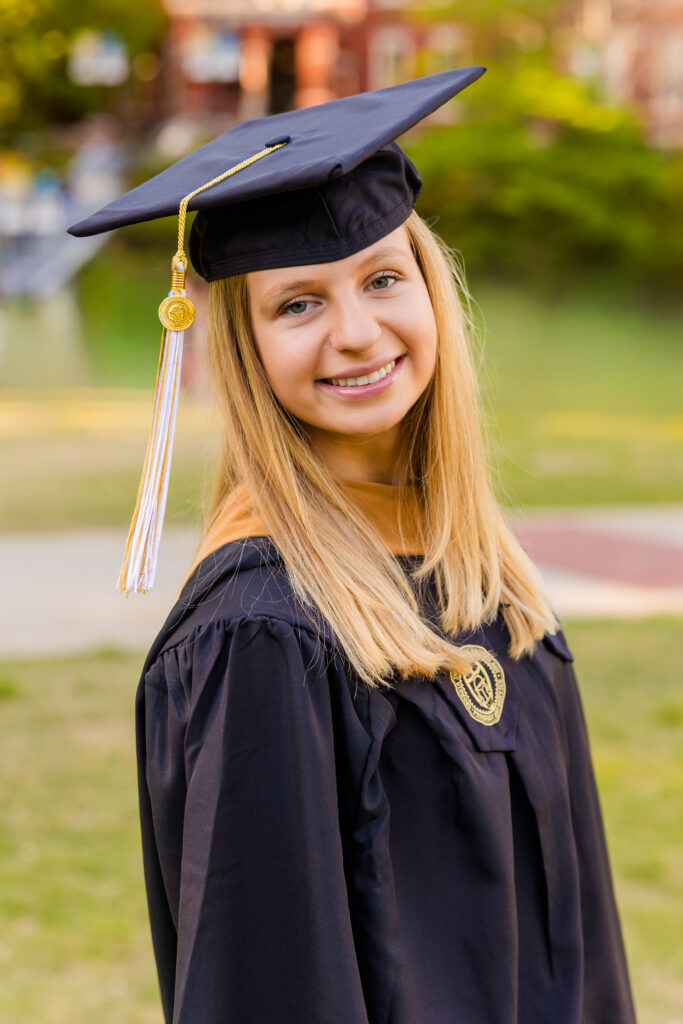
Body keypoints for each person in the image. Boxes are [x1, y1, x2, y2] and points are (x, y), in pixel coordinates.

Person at [68, 69, 636, 1023]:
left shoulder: (483, 576)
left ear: (431, 290)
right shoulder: (261, 634)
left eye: (381, 279)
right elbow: (267, 990)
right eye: (298, 304)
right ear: (242, 346)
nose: (357, 333)